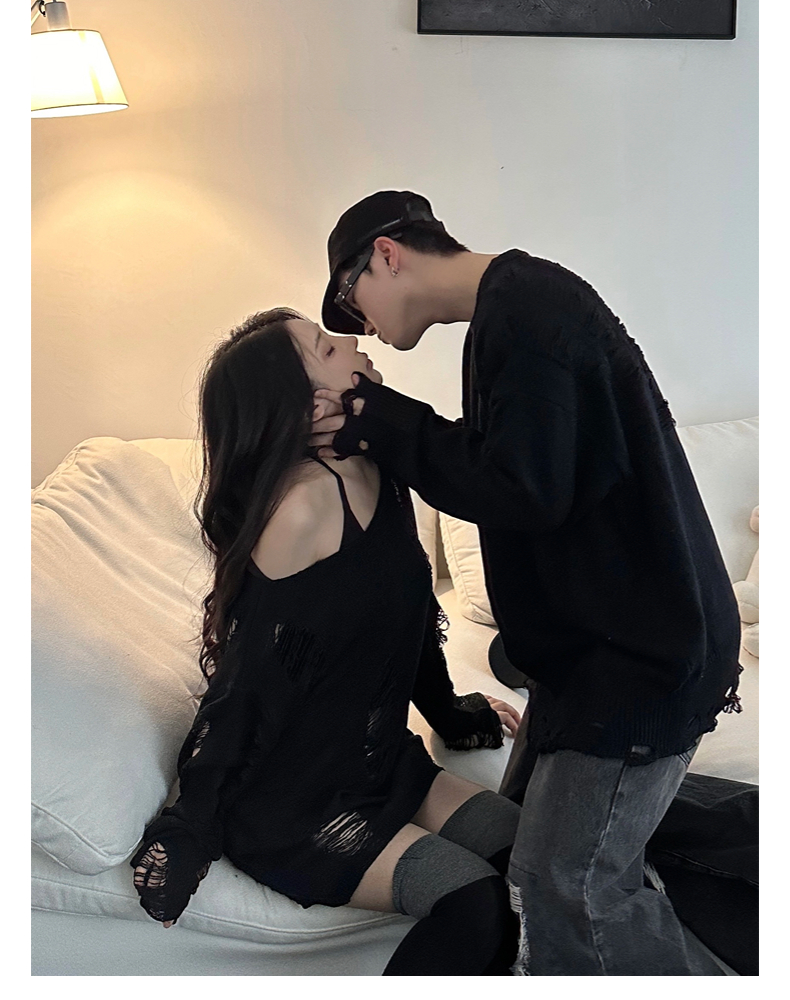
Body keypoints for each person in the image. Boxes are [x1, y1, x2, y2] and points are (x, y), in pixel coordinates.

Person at [310, 190, 745, 975]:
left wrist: (379, 417)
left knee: (565, 886)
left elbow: (522, 489)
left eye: (350, 301)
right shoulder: (510, 308)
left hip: (637, 659)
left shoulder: (524, 305)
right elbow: (536, 481)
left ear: (387, 255)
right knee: (528, 842)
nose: (359, 328)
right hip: (598, 652)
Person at [129, 307, 525, 975]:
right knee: (478, 903)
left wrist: (453, 714)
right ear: (309, 402)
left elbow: (409, 621)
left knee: (539, 857)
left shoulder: (379, 469)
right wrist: (186, 828)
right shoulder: (302, 508)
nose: (349, 340)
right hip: (295, 805)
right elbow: (244, 690)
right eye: (325, 346)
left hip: (384, 766)